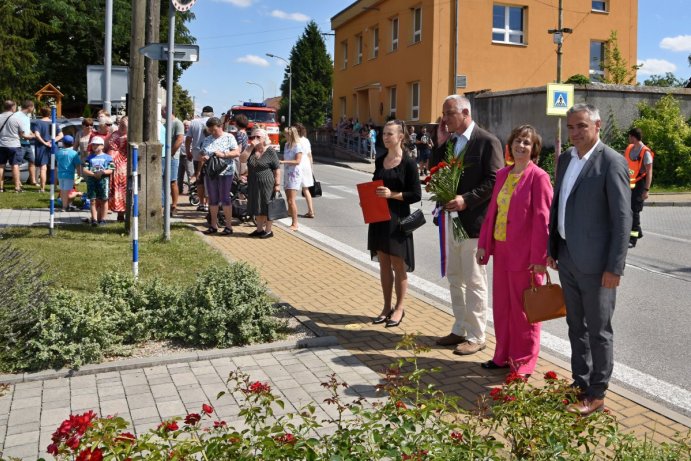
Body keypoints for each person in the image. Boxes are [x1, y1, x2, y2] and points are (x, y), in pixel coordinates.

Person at [546, 103, 631, 416]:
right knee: (574, 326)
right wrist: (553, 248)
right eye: (570, 127)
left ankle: (597, 393)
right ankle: (580, 383)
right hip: (567, 256)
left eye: (581, 126)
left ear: (597, 126)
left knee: (598, 330)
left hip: (598, 266)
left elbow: (623, 219)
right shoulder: (566, 158)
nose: (575, 133)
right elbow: (559, 204)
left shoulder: (612, 162)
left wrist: (614, 267)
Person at [476, 125, 553, 378]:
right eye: (518, 141)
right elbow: (492, 214)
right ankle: (502, 356)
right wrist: (484, 245)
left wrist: (539, 259)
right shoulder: (502, 175)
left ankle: (523, 362)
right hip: (503, 251)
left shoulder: (538, 177)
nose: (521, 146)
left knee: (524, 312)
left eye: (527, 143)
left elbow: (543, 220)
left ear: (534, 149)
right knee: (502, 308)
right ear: (510, 145)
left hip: (526, 257)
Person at [431, 94, 504, 355]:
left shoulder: (487, 141)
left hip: (473, 223)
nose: (444, 119)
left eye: (449, 113)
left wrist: (467, 200)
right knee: (454, 277)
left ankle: (477, 335)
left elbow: (495, 180)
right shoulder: (450, 142)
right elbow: (433, 172)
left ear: (465, 113)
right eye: (444, 113)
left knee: (474, 280)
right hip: (451, 221)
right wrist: (439, 144)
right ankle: (460, 327)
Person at [369, 120, 422, 328]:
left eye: (389, 134)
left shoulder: (408, 163)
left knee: (398, 265)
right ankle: (386, 307)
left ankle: (399, 308)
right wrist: (368, 197)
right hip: (379, 217)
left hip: (398, 218)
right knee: (383, 264)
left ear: (401, 136)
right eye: (384, 134)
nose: (385, 137)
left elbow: (415, 194)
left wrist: (393, 195)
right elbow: (374, 184)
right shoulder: (380, 159)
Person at [200, 117, 239, 235]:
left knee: (225, 199)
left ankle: (228, 226)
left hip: (225, 172)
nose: (212, 132)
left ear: (220, 126)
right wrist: (204, 157)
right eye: (210, 130)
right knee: (213, 199)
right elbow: (203, 153)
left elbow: (237, 152)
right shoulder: (207, 139)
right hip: (211, 172)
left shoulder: (229, 137)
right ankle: (213, 225)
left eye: (214, 130)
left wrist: (223, 154)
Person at [240, 127, 281, 239]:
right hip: (253, 182)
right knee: (257, 206)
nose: (255, 139)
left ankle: (268, 230)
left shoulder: (270, 151)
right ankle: (259, 229)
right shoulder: (251, 150)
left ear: (264, 138)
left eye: (258, 137)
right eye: (253, 136)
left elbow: (277, 169)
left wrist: (277, 185)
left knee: (267, 206)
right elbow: (242, 159)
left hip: (267, 183)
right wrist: (250, 147)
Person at [624, 127, 654, 248]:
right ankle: (639, 232)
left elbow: (649, 172)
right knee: (628, 210)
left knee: (635, 211)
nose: (628, 139)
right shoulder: (630, 148)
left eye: (629, 136)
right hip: (628, 185)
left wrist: (646, 190)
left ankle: (633, 238)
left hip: (640, 185)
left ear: (634, 137)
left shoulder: (645, 152)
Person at [185, 106, 214, 211]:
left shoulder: (194, 122)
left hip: (197, 154)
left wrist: (188, 151)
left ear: (202, 113)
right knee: (210, 180)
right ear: (212, 113)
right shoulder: (214, 122)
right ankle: (208, 204)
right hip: (211, 156)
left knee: (199, 180)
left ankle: (201, 203)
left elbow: (188, 139)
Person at [83, 136, 115, 226]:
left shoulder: (108, 157)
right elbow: (85, 169)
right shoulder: (89, 158)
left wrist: (102, 172)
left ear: (102, 146)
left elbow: (111, 169)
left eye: (97, 145)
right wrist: (93, 174)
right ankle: (94, 219)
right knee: (92, 200)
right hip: (92, 181)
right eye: (93, 145)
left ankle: (103, 219)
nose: (95, 147)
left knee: (104, 200)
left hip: (103, 181)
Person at [32, 106, 62, 192]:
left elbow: (37, 135)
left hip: (41, 147)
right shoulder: (54, 123)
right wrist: (51, 142)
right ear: (50, 114)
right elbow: (61, 135)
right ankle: (55, 187)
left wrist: (45, 143)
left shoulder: (38, 123)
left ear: (41, 113)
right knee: (55, 167)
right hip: (53, 146)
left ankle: (42, 188)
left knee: (43, 168)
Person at [161, 107, 184, 215]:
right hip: (163, 156)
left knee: (172, 181)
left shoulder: (177, 123)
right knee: (163, 181)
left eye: (162, 111)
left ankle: (174, 205)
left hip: (172, 157)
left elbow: (180, 139)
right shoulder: (164, 124)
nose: (161, 113)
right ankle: (163, 204)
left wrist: (171, 153)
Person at [280, 126, 303, 231]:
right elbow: (285, 158)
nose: (285, 136)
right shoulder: (286, 145)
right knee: (288, 199)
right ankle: (291, 218)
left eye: (286, 134)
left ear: (291, 135)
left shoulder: (298, 146)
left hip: (294, 175)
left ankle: (295, 223)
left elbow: (298, 161)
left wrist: (284, 162)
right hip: (287, 174)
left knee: (291, 200)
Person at [107, 116, 128, 222]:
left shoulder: (129, 136)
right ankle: (119, 212)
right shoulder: (115, 133)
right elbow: (107, 146)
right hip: (114, 163)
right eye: (121, 123)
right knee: (116, 188)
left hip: (124, 164)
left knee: (122, 188)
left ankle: (123, 212)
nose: (122, 124)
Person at [0, 100, 24, 193]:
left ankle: (1, 187)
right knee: (15, 166)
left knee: (1, 166)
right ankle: (17, 187)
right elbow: (21, 133)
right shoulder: (17, 118)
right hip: (14, 145)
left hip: (1, 144)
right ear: (13, 107)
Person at [55, 135, 82, 211]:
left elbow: (57, 161)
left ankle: (65, 205)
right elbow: (77, 165)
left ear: (63, 143)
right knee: (67, 191)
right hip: (69, 175)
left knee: (63, 191)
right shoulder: (74, 153)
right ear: (73, 143)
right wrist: (79, 174)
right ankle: (65, 206)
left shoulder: (58, 152)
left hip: (60, 174)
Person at [295, 122, 315, 219]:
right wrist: (311, 168)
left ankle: (291, 210)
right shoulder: (306, 140)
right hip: (306, 164)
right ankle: (311, 211)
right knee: (306, 189)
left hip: (299, 164)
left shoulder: (295, 141)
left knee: (293, 188)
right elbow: (310, 155)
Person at [178, 119, 195, 194]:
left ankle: (191, 190)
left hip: (188, 156)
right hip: (180, 156)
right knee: (179, 174)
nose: (186, 127)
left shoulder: (191, 134)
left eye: (188, 125)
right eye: (185, 125)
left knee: (190, 174)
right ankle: (179, 190)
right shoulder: (181, 133)